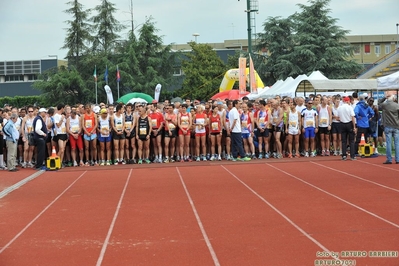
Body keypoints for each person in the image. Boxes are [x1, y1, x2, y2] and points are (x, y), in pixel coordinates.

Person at [378, 93, 399, 164]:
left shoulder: (385, 105)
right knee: (397, 143)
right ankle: (397, 159)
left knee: (388, 143)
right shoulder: (397, 105)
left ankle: (389, 159)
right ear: (394, 99)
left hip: (388, 126)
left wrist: (385, 97)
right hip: (396, 126)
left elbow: (379, 102)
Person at [337, 96, 357, 161]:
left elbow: (338, 117)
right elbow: (352, 117)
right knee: (351, 140)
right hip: (349, 123)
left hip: (342, 124)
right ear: (348, 101)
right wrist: (354, 127)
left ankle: (344, 155)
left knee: (343, 141)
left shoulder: (339, 108)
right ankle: (352, 156)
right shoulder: (350, 107)